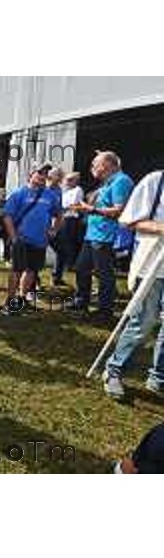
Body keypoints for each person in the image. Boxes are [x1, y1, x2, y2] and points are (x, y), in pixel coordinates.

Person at [102, 170, 164, 400]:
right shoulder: (155, 181)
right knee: (144, 321)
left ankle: (158, 377)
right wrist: (161, 228)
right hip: (152, 267)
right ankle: (113, 370)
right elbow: (128, 220)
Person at [69, 152, 134, 320]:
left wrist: (91, 209)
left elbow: (119, 210)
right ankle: (81, 302)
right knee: (82, 268)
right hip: (93, 235)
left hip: (105, 236)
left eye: (95, 164)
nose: (92, 169)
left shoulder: (121, 181)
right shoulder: (107, 183)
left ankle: (105, 310)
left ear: (107, 165)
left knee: (103, 274)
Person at [2, 163, 63, 315]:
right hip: (21, 239)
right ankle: (10, 302)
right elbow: (7, 216)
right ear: (31, 176)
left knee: (31, 271)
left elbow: (59, 214)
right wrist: (14, 237)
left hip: (40, 241)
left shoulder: (50, 195)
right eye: (39, 173)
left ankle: (22, 300)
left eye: (45, 175)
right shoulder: (19, 193)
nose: (42, 177)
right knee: (16, 270)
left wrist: (54, 230)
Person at [52, 172, 84, 285]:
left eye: (71, 179)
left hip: (69, 220)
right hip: (61, 219)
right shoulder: (64, 191)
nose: (68, 182)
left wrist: (60, 209)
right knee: (60, 247)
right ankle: (59, 272)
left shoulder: (77, 190)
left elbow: (72, 205)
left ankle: (63, 270)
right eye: (67, 179)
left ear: (76, 181)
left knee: (63, 247)